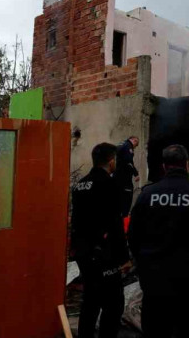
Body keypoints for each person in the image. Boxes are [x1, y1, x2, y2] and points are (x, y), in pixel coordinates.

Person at [128, 144, 189, 338]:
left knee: (156, 329)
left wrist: (142, 262)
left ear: (164, 167)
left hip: (154, 278)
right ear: (187, 165)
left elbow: (133, 237)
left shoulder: (147, 194)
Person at [70, 143, 129, 338]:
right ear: (111, 161)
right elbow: (115, 224)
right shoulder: (109, 184)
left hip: (84, 253)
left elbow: (76, 221)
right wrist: (123, 257)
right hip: (103, 254)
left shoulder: (80, 184)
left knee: (90, 301)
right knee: (113, 305)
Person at [114, 136, 140, 217]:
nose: (134, 147)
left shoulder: (121, 144)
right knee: (127, 198)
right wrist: (135, 173)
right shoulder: (128, 146)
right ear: (134, 141)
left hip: (116, 176)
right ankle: (125, 217)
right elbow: (129, 162)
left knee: (117, 199)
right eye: (136, 145)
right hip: (124, 178)